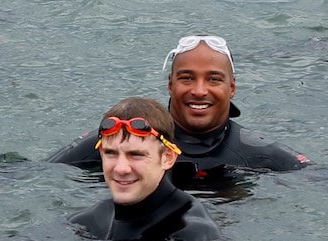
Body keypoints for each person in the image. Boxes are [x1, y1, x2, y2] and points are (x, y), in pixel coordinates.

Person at [51, 35, 308, 185]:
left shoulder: (260, 153)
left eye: (214, 80)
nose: (199, 90)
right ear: (170, 84)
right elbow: (40, 172)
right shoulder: (126, 138)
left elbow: (327, 181)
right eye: (187, 78)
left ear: (232, 88)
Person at [67, 100, 223, 241]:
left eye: (136, 155)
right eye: (111, 153)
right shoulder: (94, 218)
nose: (121, 168)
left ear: (167, 158)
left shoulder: (194, 235)